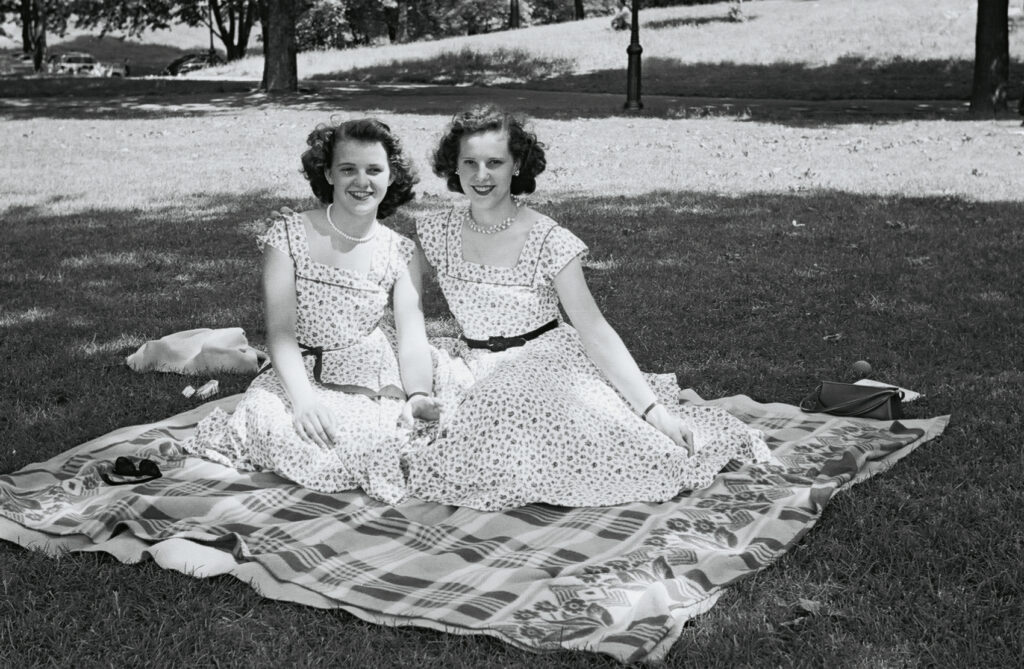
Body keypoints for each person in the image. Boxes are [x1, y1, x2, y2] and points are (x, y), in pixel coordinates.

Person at [404, 106, 770, 510]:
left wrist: (653, 412)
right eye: (469, 163)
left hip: (541, 363)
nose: (480, 175)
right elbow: (403, 302)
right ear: (453, 166)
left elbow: (595, 330)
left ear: (517, 165)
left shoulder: (548, 239)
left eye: (495, 162)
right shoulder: (436, 230)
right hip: (470, 363)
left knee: (504, 405)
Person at [186, 118, 439, 502]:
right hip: (295, 376)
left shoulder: (401, 250)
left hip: (365, 379)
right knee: (284, 432)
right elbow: (281, 333)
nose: (361, 181)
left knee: (375, 444)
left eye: (374, 170)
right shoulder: (287, 234)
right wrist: (303, 402)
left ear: (391, 177)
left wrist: (418, 393)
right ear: (327, 173)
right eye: (348, 169)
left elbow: (412, 336)